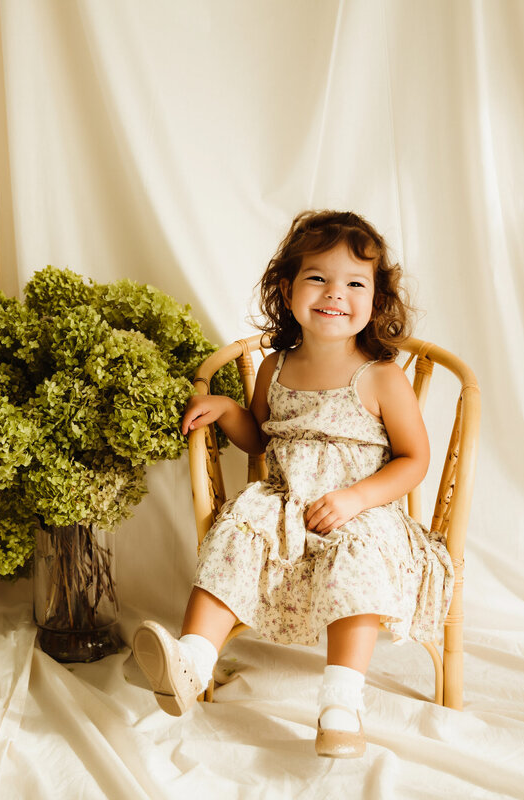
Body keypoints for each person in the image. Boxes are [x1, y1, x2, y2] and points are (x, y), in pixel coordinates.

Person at [133, 210, 455, 759]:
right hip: (284, 503)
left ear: (375, 302)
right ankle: (191, 661)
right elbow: (261, 441)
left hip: (359, 508)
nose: (336, 293)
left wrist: (355, 498)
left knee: (355, 555)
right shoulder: (274, 367)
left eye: (356, 283)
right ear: (288, 289)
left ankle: (341, 703)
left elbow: (414, 460)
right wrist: (229, 410)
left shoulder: (381, 377)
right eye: (318, 278)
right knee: (235, 532)